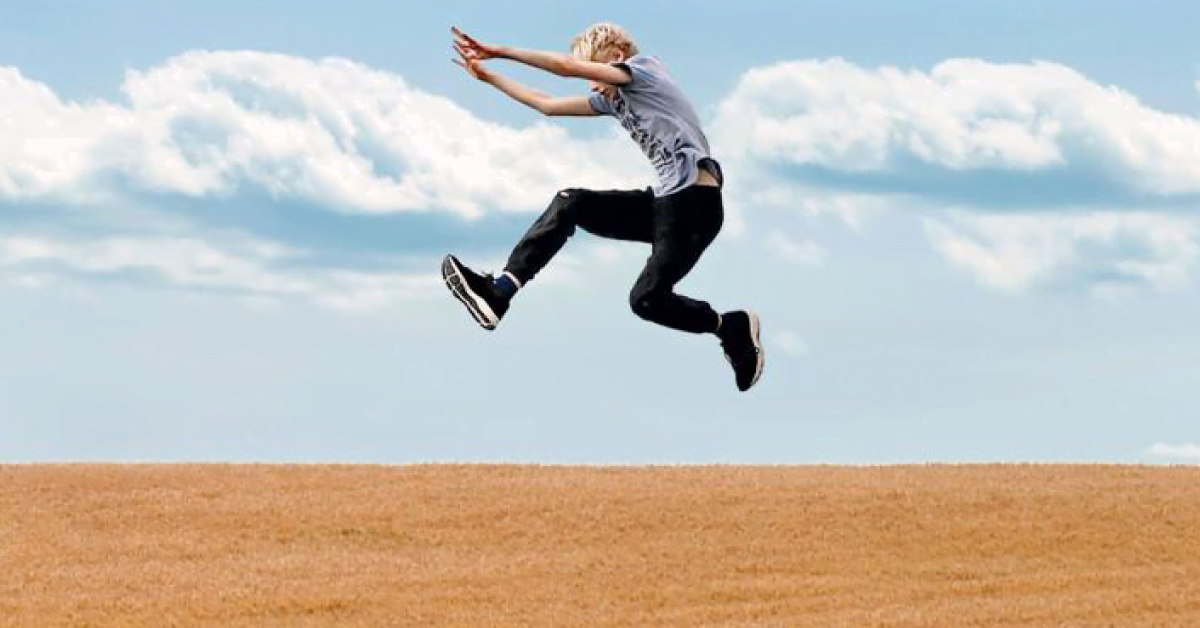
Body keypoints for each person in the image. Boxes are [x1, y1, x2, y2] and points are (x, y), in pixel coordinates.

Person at [444, 23, 763, 391]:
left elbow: (565, 67)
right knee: (571, 203)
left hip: (695, 207)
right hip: (663, 205)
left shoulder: (644, 71)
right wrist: (490, 78)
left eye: (593, 74)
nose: (592, 87)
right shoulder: (614, 100)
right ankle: (500, 292)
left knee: (646, 300)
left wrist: (501, 51)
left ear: (615, 57)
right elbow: (547, 105)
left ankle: (730, 326)